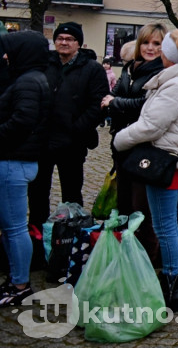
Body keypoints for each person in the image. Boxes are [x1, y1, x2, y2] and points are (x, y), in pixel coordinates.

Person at [112, 28, 178, 312]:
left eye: (163, 48)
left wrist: (120, 140)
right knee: (164, 224)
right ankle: (169, 283)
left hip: (165, 161)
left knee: (164, 226)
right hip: (169, 157)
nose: (159, 52)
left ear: (171, 55)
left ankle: (171, 285)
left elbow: (151, 126)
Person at [29, 22, 108, 227]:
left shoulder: (92, 69)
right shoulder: (44, 64)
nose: (64, 42)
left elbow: (97, 105)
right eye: (60, 38)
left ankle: (71, 233)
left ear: (78, 43)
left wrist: (76, 129)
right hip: (43, 140)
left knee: (72, 192)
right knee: (37, 191)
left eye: (69, 39)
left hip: (73, 142)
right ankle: (37, 232)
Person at [102, 23, 167, 263]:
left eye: (157, 43)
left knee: (142, 211)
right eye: (146, 42)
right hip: (122, 144)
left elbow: (144, 105)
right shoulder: (130, 68)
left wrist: (114, 103)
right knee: (125, 206)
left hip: (145, 149)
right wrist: (114, 101)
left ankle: (144, 263)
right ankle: (125, 258)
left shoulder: (162, 72)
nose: (150, 48)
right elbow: (118, 93)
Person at [0, 31, 53, 307]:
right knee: (11, 227)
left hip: (14, 162)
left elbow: (22, 122)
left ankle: (20, 284)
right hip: (16, 161)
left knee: (15, 228)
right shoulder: (29, 78)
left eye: (10, 50)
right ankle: (15, 279)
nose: (5, 56)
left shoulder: (28, 81)